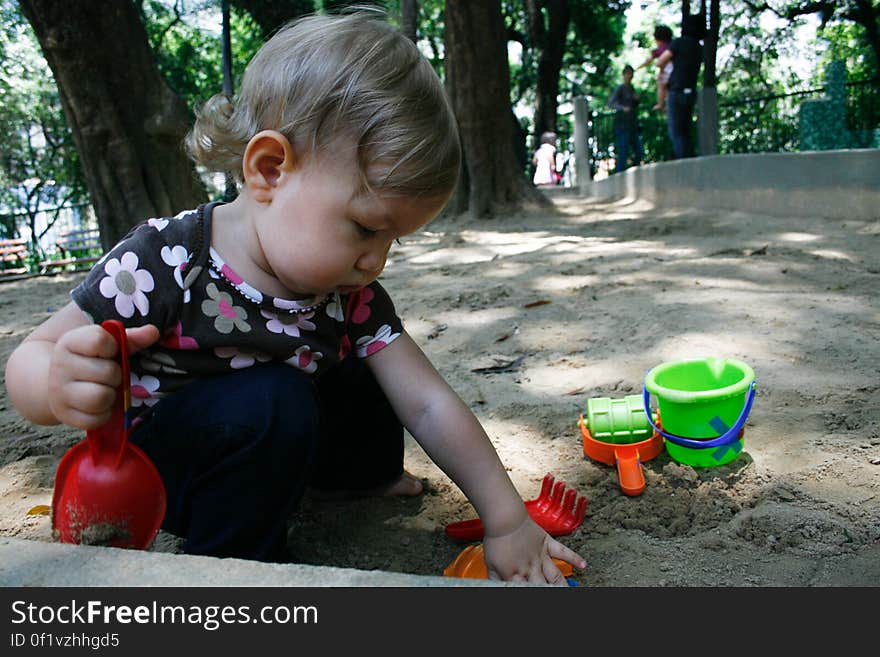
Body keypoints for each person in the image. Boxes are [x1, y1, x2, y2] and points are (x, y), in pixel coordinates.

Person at [4, 12, 585, 584]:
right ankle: (236, 573)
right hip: (175, 472)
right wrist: (55, 382)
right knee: (272, 399)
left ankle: (352, 481)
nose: (376, 260)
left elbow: (429, 404)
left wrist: (507, 520)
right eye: (365, 228)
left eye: (393, 240)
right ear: (270, 169)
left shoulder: (348, 292)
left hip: (282, 444)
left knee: (372, 362)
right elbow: (32, 357)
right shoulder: (165, 259)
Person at [657, 15, 704, 159]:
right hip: (691, 92)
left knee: (676, 133)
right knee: (686, 132)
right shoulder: (699, 48)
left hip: (676, 91)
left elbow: (661, 61)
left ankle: (684, 167)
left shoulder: (678, 43)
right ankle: (691, 163)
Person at [607, 64, 644, 173]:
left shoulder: (632, 89)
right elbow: (611, 103)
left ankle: (635, 171)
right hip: (622, 124)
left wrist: (636, 100)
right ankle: (619, 174)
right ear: (624, 74)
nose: (629, 76)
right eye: (627, 74)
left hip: (632, 125)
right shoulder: (620, 89)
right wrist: (622, 108)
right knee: (623, 151)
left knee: (639, 151)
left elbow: (634, 106)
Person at [637, 25, 674, 111]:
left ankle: (660, 104)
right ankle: (668, 104)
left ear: (657, 38)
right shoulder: (672, 46)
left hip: (666, 72)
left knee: (661, 86)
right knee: (668, 89)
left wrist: (640, 67)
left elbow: (649, 61)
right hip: (675, 72)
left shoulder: (659, 49)